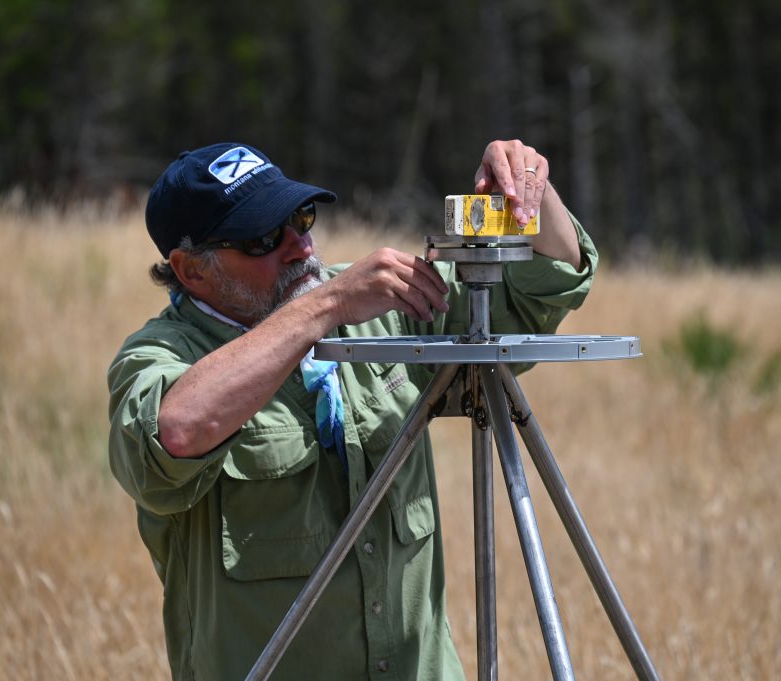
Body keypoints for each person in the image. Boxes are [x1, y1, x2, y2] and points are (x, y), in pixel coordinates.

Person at [108, 139, 598, 681]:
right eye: (263, 238)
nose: (299, 247)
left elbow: (537, 296)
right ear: (191, 270)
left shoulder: (377, 307)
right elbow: (175, 431)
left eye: (301, 217)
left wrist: (530, 190)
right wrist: (327, 306)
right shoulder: (163, 355)